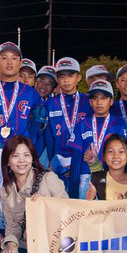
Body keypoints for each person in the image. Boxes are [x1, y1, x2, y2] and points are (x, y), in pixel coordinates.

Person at [0, 41, 44, 240]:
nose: (9, 62)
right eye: (4, 58)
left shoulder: (30, 93)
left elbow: (38, 122)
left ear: (21, 62)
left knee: (14, 201)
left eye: (14, 58)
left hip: (18, 153)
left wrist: (29, 148)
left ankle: (9, 244)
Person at [0, 135, 68, 253]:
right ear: (7, 162)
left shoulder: (48, 179)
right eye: (15, 156)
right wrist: (11, 243)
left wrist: (47, 204)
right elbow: (12, 224)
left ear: (33, 158)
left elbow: (68, 210)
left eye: (26, 155)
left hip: (49, 247)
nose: (22, 161)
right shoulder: (6, 190)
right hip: (27, 245)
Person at [68, 80, 125, 198]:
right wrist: (73, 191)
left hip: (112, 176)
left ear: (111, 101)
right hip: (86, 177)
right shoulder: (82, 124)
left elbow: (124, 156)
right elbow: (76, 159)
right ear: (90, 102)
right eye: (95, 98)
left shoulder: (119, 123)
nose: (99, 102)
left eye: (103, 98)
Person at [46, 57, 92, 191]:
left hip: (84, 158)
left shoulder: (89, 101)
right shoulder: (50, 103)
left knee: (82, 198)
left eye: (70, 76)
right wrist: (52, 160)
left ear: (78, 78)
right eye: (62, 76)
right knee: (60, 198)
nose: (66, 80)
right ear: (57, 79)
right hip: (59, 158)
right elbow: (48, 136)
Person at [84, 134, 127, 200]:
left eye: (121, 152)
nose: (115, 156)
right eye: (111, 151)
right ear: (104, 156)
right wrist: (90, 198)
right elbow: (82, 203)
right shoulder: (94, 180)